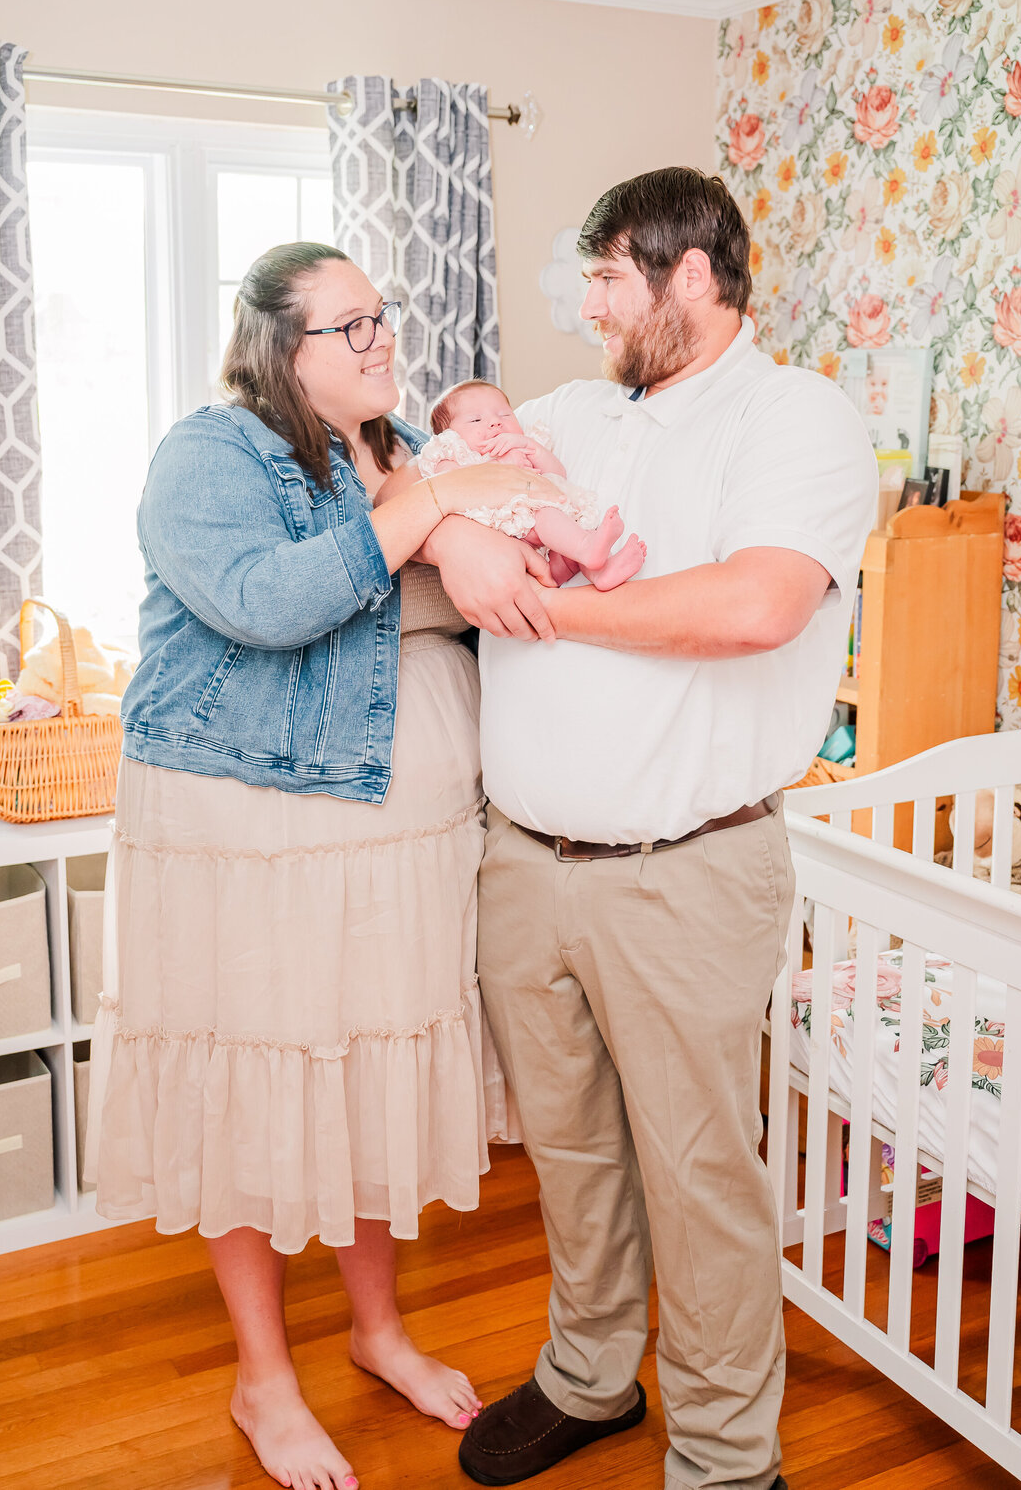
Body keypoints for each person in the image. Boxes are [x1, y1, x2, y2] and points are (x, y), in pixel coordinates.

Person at [84, 241, 554, 1490]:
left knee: (355, 1077)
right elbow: (268, 602)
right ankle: (264, 1377)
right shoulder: (208, 454)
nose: (380, 341)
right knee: (256, 1071)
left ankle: (379, 1328)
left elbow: (438, 600)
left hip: (393, 829)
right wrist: (428, 516)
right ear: (276, 347)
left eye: (381, 318)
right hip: (248, 826)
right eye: (348, 328)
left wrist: (459, 522)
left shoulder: (397, 449)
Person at [458, 168, 879, 1490]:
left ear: (691, 274)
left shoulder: (794, 415)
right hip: (525, 862)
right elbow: (431, 491)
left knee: (700, 1181)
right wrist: (461, 545)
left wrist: (540, 603)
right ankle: (589, 1379)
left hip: (685, 872)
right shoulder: (571, 410)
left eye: (607, 278)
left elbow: (755, 606)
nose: (585, 305)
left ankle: (725, 1455)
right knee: (574, 1157)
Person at [392, 378, 646, 588]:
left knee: (570, 532)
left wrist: (529, 447)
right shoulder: (453, 453)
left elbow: (558, 475)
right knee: (546, 516)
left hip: (544, 548)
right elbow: (453, 486)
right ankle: (587, 549)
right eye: (476, 420)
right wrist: (500, 467)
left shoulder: (523, 443)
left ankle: (599, 572)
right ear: (449, 435)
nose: (495, 422)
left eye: (504, 414)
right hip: (502, 534)